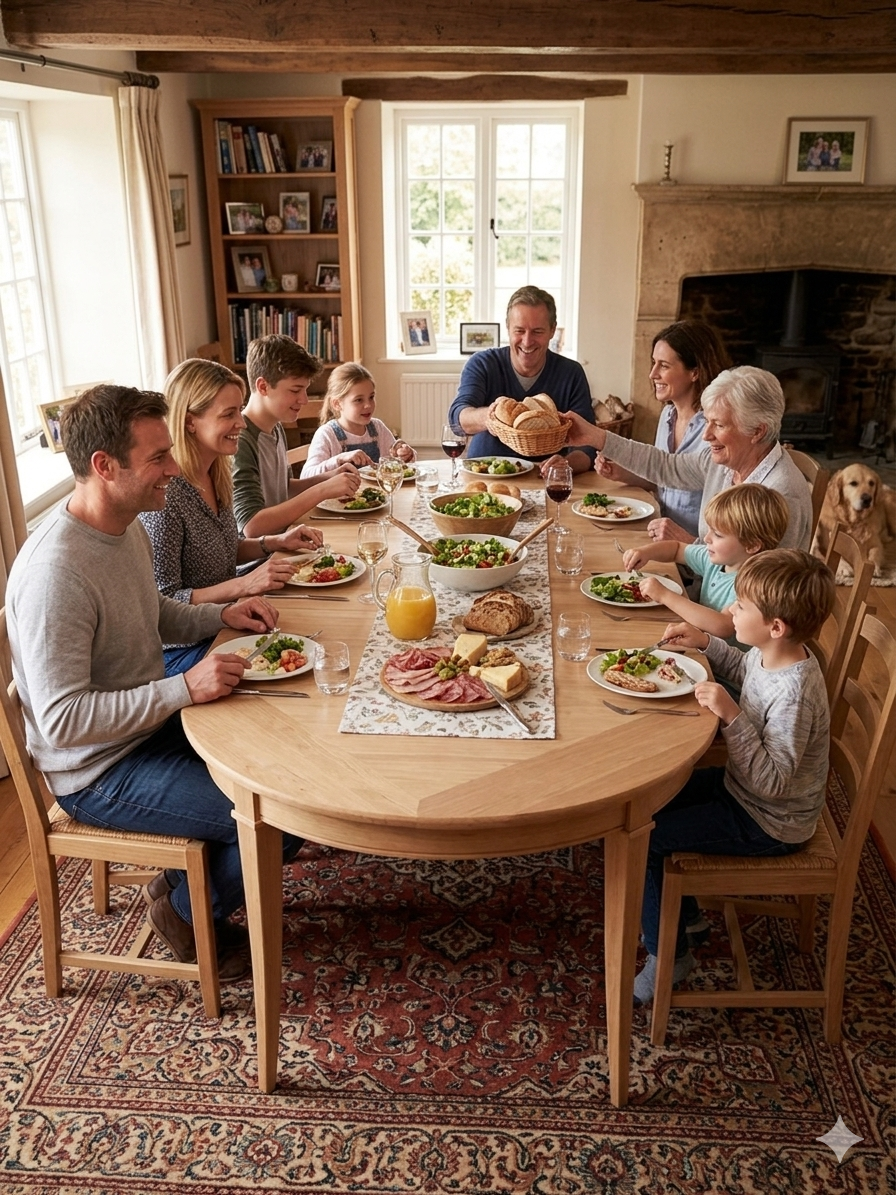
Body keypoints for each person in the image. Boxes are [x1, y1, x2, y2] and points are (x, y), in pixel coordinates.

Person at [4, 384, 303, 979]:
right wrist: (184, 688)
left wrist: (221, 615)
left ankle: (185, 888)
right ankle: (187, 912)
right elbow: (63, 722)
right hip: (97, 769)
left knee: (289, 759)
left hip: (148, 725)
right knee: (279, 814)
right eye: (157, 458)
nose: (173, 468)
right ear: (103, 466)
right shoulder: (56, 574)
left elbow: (158, 613)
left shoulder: (127, 524)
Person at [631, 549, 836, 1005]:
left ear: (776, 626)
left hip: (770, 821)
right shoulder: (774, 655)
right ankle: (684, 916)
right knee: (650, 799)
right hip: (744, 793)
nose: (729, 610)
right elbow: (745, 668)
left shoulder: (795, 692)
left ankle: (667, 955)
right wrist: (707, 645)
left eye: (741, 606)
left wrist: (732, 717)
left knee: (645, 834)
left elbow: (773, 783)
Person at [140, 358, 325, 675]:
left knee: (318, 642)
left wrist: (274, 542)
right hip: (186, 650)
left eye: (239, 410)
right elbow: (165, 599)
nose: (241, 422)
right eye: (228, 414)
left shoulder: (215, 472)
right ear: (189, 422)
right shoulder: (167, 497)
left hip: (227, 622)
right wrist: (243, 585)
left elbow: (225, 547)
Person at [560, 365, 813, 549]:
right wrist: (594, 436)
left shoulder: (781, 495)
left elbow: (758, 593)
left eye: (719, 425)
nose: (706, 435)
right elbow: (665, 466)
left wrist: (690, 545)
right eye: (707, 422)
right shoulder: (728, 463)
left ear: (758, 431)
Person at [600, 320, 731, 541]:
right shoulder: (667, 416)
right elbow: (667, 478)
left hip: (693, 552)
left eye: (664, 365)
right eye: (654, 363)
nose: (652, 374)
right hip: (658, 535)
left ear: (695, 372)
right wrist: (624, 474)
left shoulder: (715, 430)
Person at [447, 285, 597, 476]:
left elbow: (588, 447)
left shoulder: (571, 372)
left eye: (537, 331)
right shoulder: (482, 364)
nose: (527, 342)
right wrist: (492, 417)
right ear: (508, 328)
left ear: (552, 330)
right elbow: (457, 419)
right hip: (485, 477)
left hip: (545, 480)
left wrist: (566, 464)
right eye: (519, 330)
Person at [622, 484, 789, 643]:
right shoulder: (720, 559)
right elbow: (676, 548)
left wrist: (664, 595)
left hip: (721, 666)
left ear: (752, 545)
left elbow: (723, 626)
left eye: (717, 534)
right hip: (699, 644)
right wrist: (645, 552)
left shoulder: (753, 582)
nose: (707, 538)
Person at [232, 334, 362, 536]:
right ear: (263, 386)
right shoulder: (240, 440)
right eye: (295, 390)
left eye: (305, 390)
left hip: (287, 539)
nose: (304, 400)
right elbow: (252, 526)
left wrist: (327, 478)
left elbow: (283, 490)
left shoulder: (274, 426)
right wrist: (323, 490)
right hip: (262, 559)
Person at [302, 362, 416, 476]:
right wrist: (339, 459)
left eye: (371, 397)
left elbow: (396, 464)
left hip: (376, 492)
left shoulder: (378, 428)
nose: (368, 405)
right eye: (359, 400)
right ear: (337, 404)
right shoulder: (327, 434)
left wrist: (405, 455)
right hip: (341, 494)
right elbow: (306, 477)